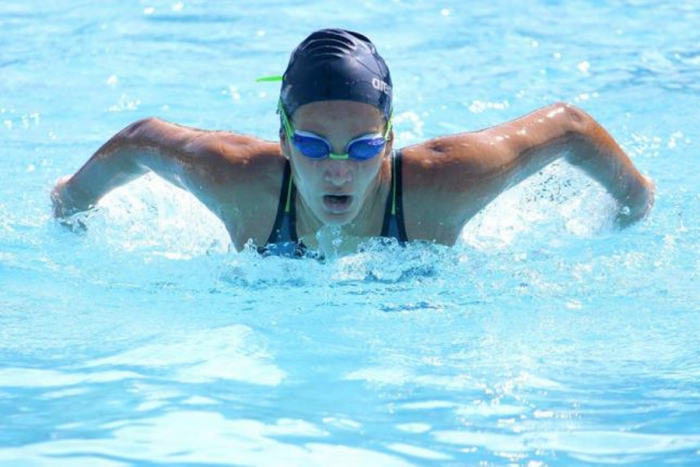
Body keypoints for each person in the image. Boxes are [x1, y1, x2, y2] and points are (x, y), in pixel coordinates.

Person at [51, 28, 654, 257]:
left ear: (390, 141)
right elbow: (139, 140)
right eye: (314, 146)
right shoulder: (240, 182)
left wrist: (632, 201)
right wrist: (70, 205)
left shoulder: (444, 185)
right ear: (283, 141)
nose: (338, 171)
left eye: (363, 149)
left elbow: (570, 127)